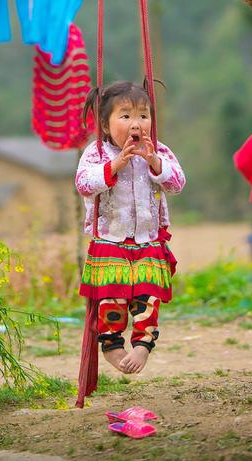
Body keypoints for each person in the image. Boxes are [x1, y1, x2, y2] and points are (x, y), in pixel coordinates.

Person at [75, 81, 185, 375]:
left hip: (148, 241)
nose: (136, 123)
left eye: (143, 115)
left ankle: (143, 343)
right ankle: (111, 344)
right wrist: (115, 165)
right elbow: (84, 185)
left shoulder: (158, 150)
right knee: (112, 297)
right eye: (125, 116)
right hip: (110, 240)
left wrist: (154, 162)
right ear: (105, 124)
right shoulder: (96, 153)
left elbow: (177, 184)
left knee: (147, 296)